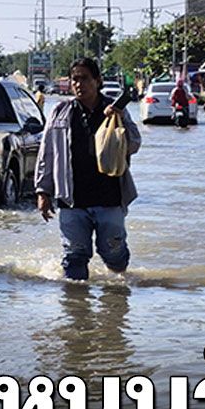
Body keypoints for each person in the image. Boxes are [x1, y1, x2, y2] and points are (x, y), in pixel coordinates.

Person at [35, 58, 142, 281]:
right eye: (75, 79)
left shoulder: (114, 109)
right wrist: (42, 191)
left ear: (98, 81)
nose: (78, 84)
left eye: (84, 78)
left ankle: (117, 300)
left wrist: (121, 119)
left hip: (110, 197)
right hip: (72, 199)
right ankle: (77, 310)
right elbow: (47, 152)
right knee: (74, 257)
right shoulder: (60, 112)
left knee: (114, 255)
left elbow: (133, 145)